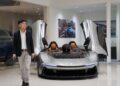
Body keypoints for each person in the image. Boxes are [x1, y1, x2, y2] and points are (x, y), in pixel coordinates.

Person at [13, 19, 35, 86]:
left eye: (25, 23)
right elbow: (14, 44)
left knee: (27, 67)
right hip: (20, 52)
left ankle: (27, 81)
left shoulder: (29, 33)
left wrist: (33, 52)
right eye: (23, 23)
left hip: (28, 52)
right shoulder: (16, 34)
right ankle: (23, 80)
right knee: (22, 68)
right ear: (19, 25)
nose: (25, 25)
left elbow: (31, 43)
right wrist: (14, 53)